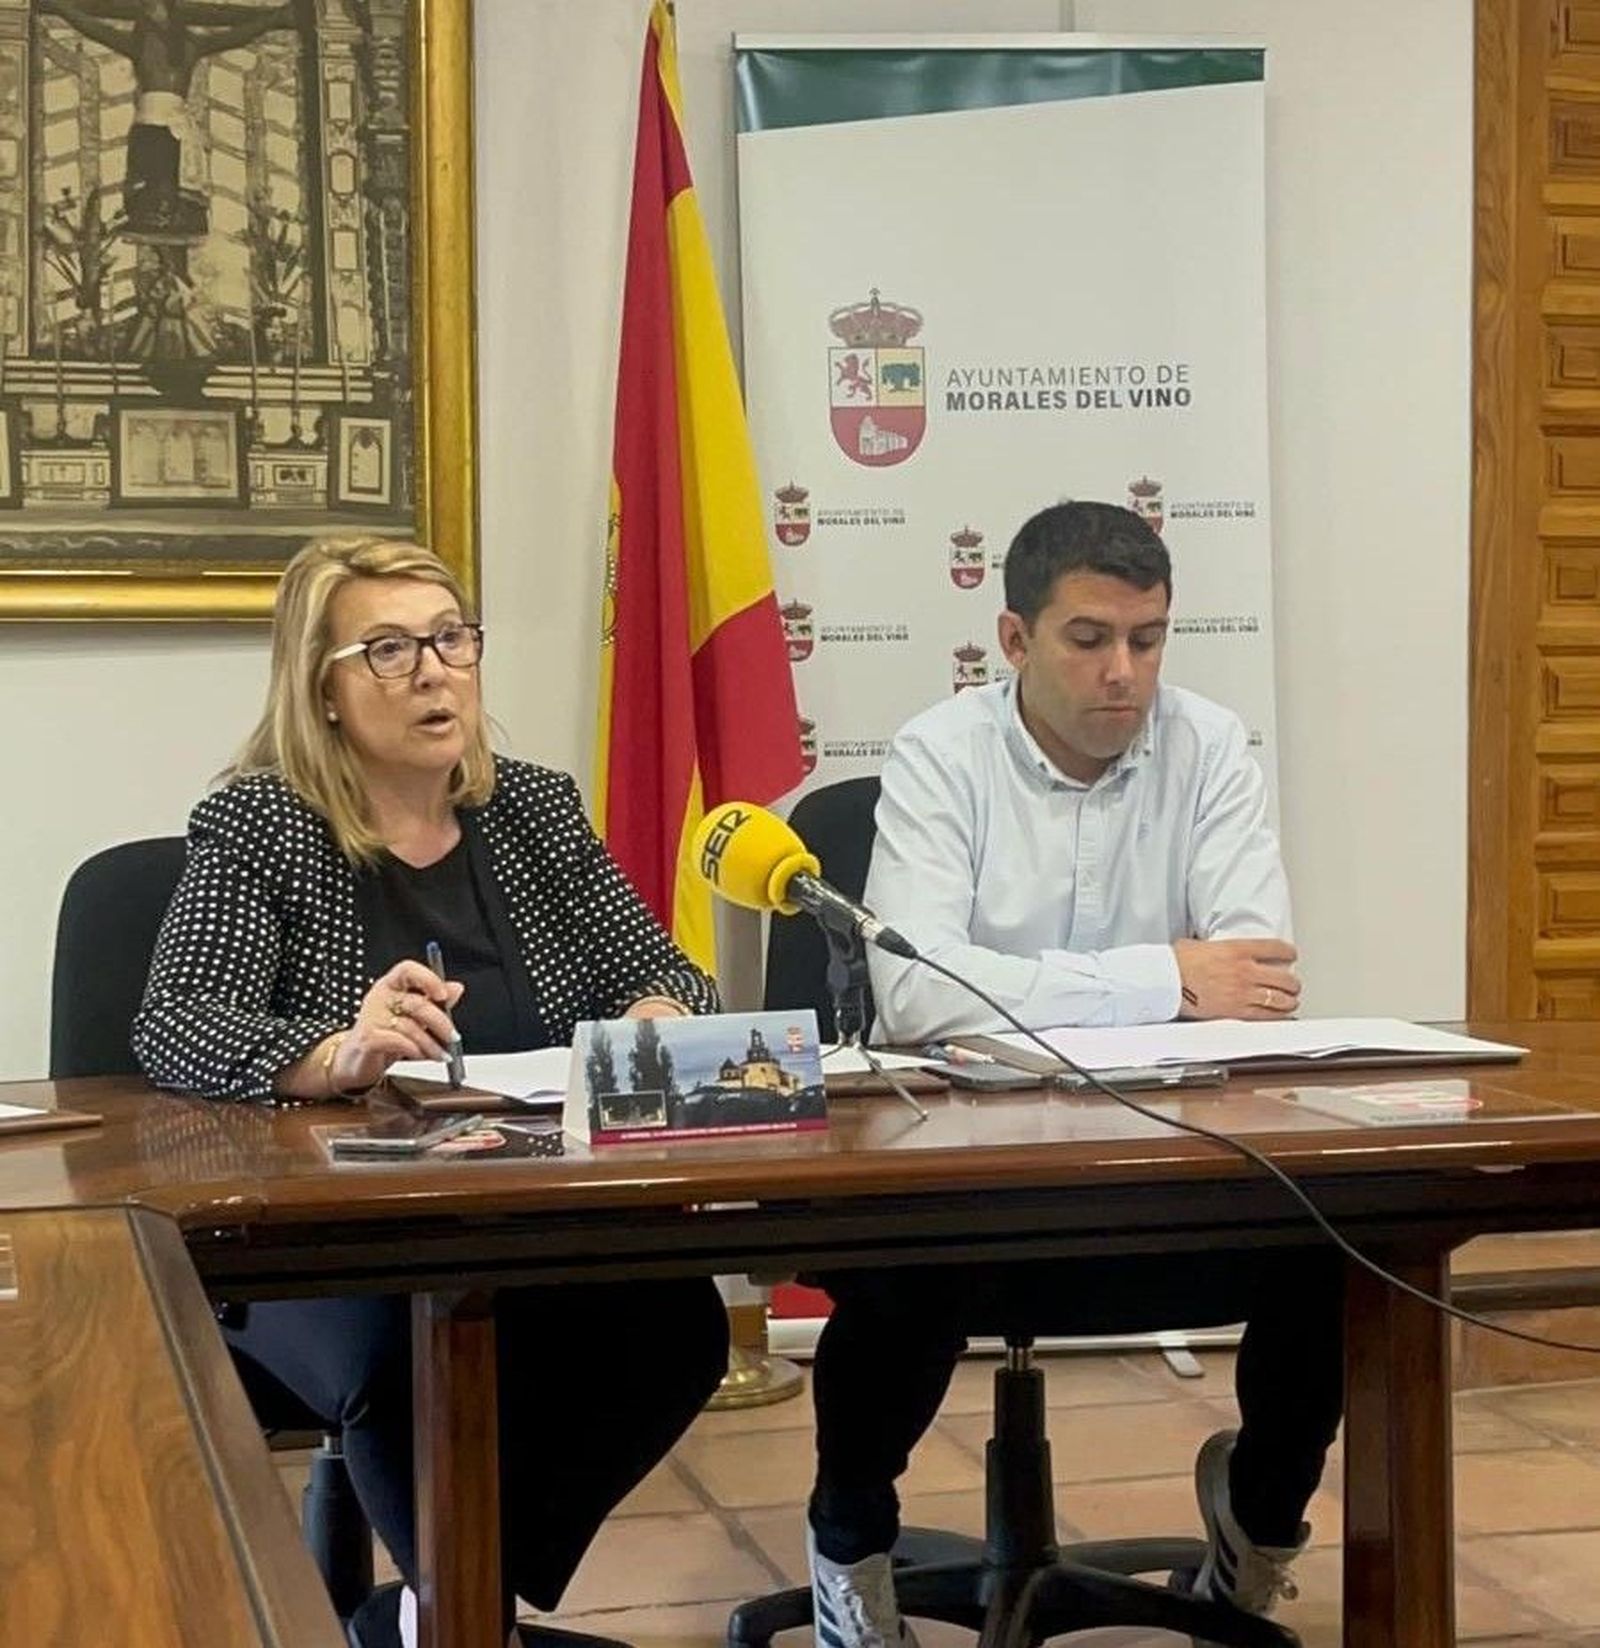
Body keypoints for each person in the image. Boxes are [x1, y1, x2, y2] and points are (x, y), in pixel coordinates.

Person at [132, 536, 728, 1648]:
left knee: (673, 1323)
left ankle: (442, 1607)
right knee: (413, 1343)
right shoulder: (263, 826)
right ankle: (455, 1618)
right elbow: (178, 1020)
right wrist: (335, 1052)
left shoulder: (534, 813)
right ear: (325, 688)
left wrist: (654, 1015)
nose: (436, 671)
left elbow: (667, 970)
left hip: (527, 1206)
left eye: (452, 639)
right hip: (319, 1242)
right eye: (391, 648)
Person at [804, 502, 1343, 1646]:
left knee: (1338, 1257)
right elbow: (920, 996)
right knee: (900, 1270)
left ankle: (1254, 1534)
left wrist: (1066, 991)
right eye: (1089, 638)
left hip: (1160, 1167)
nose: (1125, 673)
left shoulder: (1208, 749)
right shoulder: (937, 756)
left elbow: (1254, 980)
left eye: (1146, 639)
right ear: (1012, 638)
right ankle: (848, 1550)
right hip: (962, 1178)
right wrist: (1162, 976)